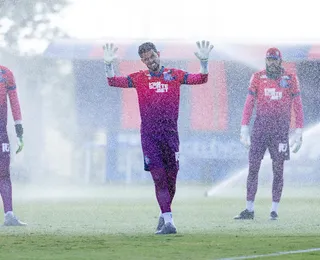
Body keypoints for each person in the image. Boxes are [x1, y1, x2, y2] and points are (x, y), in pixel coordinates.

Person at [103, 40, 213, 234]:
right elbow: (113, 82)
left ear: (158, 54)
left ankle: (164, 215)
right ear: (142, 61)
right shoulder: (139, 78)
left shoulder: (174, 74)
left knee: (171, 179)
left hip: (171, 135)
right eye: (146, 59)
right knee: (159, 178)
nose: (150, 61)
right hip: (149, 136)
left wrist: (204, 63)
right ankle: (170, 221)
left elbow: (201, 79)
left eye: (152, 56)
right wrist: (109, 65)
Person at [234, 47, 304, 221]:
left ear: (280, 60)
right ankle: (249, 209)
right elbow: (249, 102)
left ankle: (274, 210)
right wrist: (244, 126)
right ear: (266, 60)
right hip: (260, 129)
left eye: (274, 59)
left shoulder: (290, 78)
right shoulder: (257, 77)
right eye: (269, 59)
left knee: (278, 169)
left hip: (280, 131)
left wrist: (299, 130)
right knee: (253, 167)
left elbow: (297, 104)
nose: (271, 62)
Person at [0, 65, 25, 226]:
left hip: (1, 134)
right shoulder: (4, 73)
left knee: (3, 173)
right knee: (3, 174)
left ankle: (9, 214)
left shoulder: (5, 73)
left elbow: (14, 102)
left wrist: (19, 131)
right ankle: (9, 214)